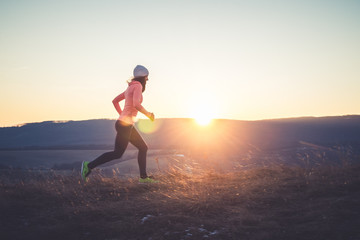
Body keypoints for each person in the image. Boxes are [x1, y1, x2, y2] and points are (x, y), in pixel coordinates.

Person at [81, 65, 157, 183]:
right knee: (123, 152)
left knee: (138, 149)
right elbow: (136, 104)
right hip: (124, 125)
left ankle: (143, 177)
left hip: (124, 124)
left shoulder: (130, 88)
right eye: (147, 77)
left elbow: (115, 101)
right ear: (144, 77)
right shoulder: (137, 86)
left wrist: (122, 115)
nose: (148, 80)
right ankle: (88, 166)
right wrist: (149, 115)